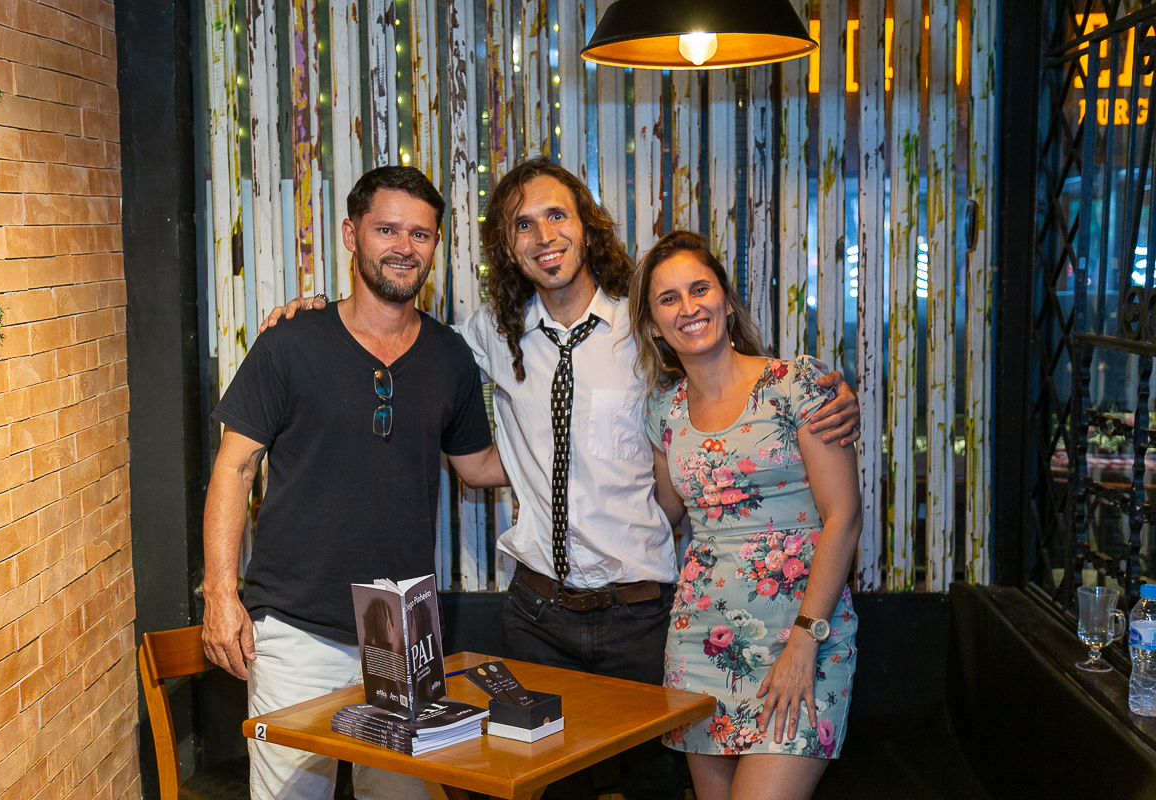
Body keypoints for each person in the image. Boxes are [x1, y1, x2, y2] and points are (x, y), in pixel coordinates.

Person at [261, 158, 860, 799]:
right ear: (508, 246)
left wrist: (824, 394)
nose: (544, 235)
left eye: (556, 215)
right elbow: (397, 333)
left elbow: (719, 412)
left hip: (646, 619)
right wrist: (317, 310)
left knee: (657, 791)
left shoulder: (647, 327)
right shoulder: (489, 336)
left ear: (584, 225)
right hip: (537, 619)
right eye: (524, 224)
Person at [202, 166, 509, 800]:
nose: (405, 246)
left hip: (403, 631)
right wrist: (220, 594)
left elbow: (481, 467)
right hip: (294, 631)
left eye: (421, 234)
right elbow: (233, 467)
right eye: (387, 229)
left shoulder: (451, 356)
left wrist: (584, 445)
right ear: (351, 234)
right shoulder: (290, 341)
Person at [633, 231, 861, 800]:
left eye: (699, 288)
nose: (688, 308)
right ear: (654, 326)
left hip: (805, 634)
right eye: (668, 299)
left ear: (727, 300)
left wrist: (805, 642)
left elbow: (845, 517)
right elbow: (665, 513)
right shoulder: (664, 411)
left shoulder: (800, 386)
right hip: (701, 644)